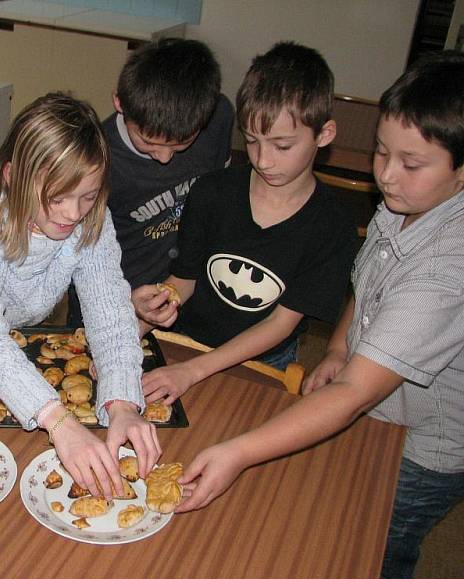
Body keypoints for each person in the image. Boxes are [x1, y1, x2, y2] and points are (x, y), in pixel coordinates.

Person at [175, 51, 464, 579]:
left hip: (425, 445)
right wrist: (336, 348)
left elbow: (356, 393)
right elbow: (370, 282)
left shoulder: (449, 268)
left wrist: (237, 452)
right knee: (335, 521)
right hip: (373, 405)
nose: (385, 175)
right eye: (382, 152)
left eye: (411, 163)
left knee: (377, 556)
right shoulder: (405, 201)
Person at [0, 93, 162, 499]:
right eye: (57, 197)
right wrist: (58, 421)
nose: (73, 213)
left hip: (24, 339)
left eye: (88, 196)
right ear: (11, 175)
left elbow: (110, 309)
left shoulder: (89, 213)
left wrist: (123, 403)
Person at [134, 42, 357, 404]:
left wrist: (194, 370)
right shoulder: (212, 192)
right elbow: (184, 280)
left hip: (262, 363)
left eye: (282, 146)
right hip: (185, 344)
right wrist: (150, 312)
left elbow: (279, 324)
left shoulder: (332, 226)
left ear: (324, 134)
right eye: (252, 141)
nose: (264, 160)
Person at [67, 38, 234, 326]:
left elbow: (217, 197)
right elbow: (80, 257)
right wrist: (122, 302)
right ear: (119, 102)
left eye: (182, 143)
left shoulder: (219, 117)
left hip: (186, 289)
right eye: (148, 142)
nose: (165, 157)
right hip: (111, 300)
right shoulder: (96, 159)